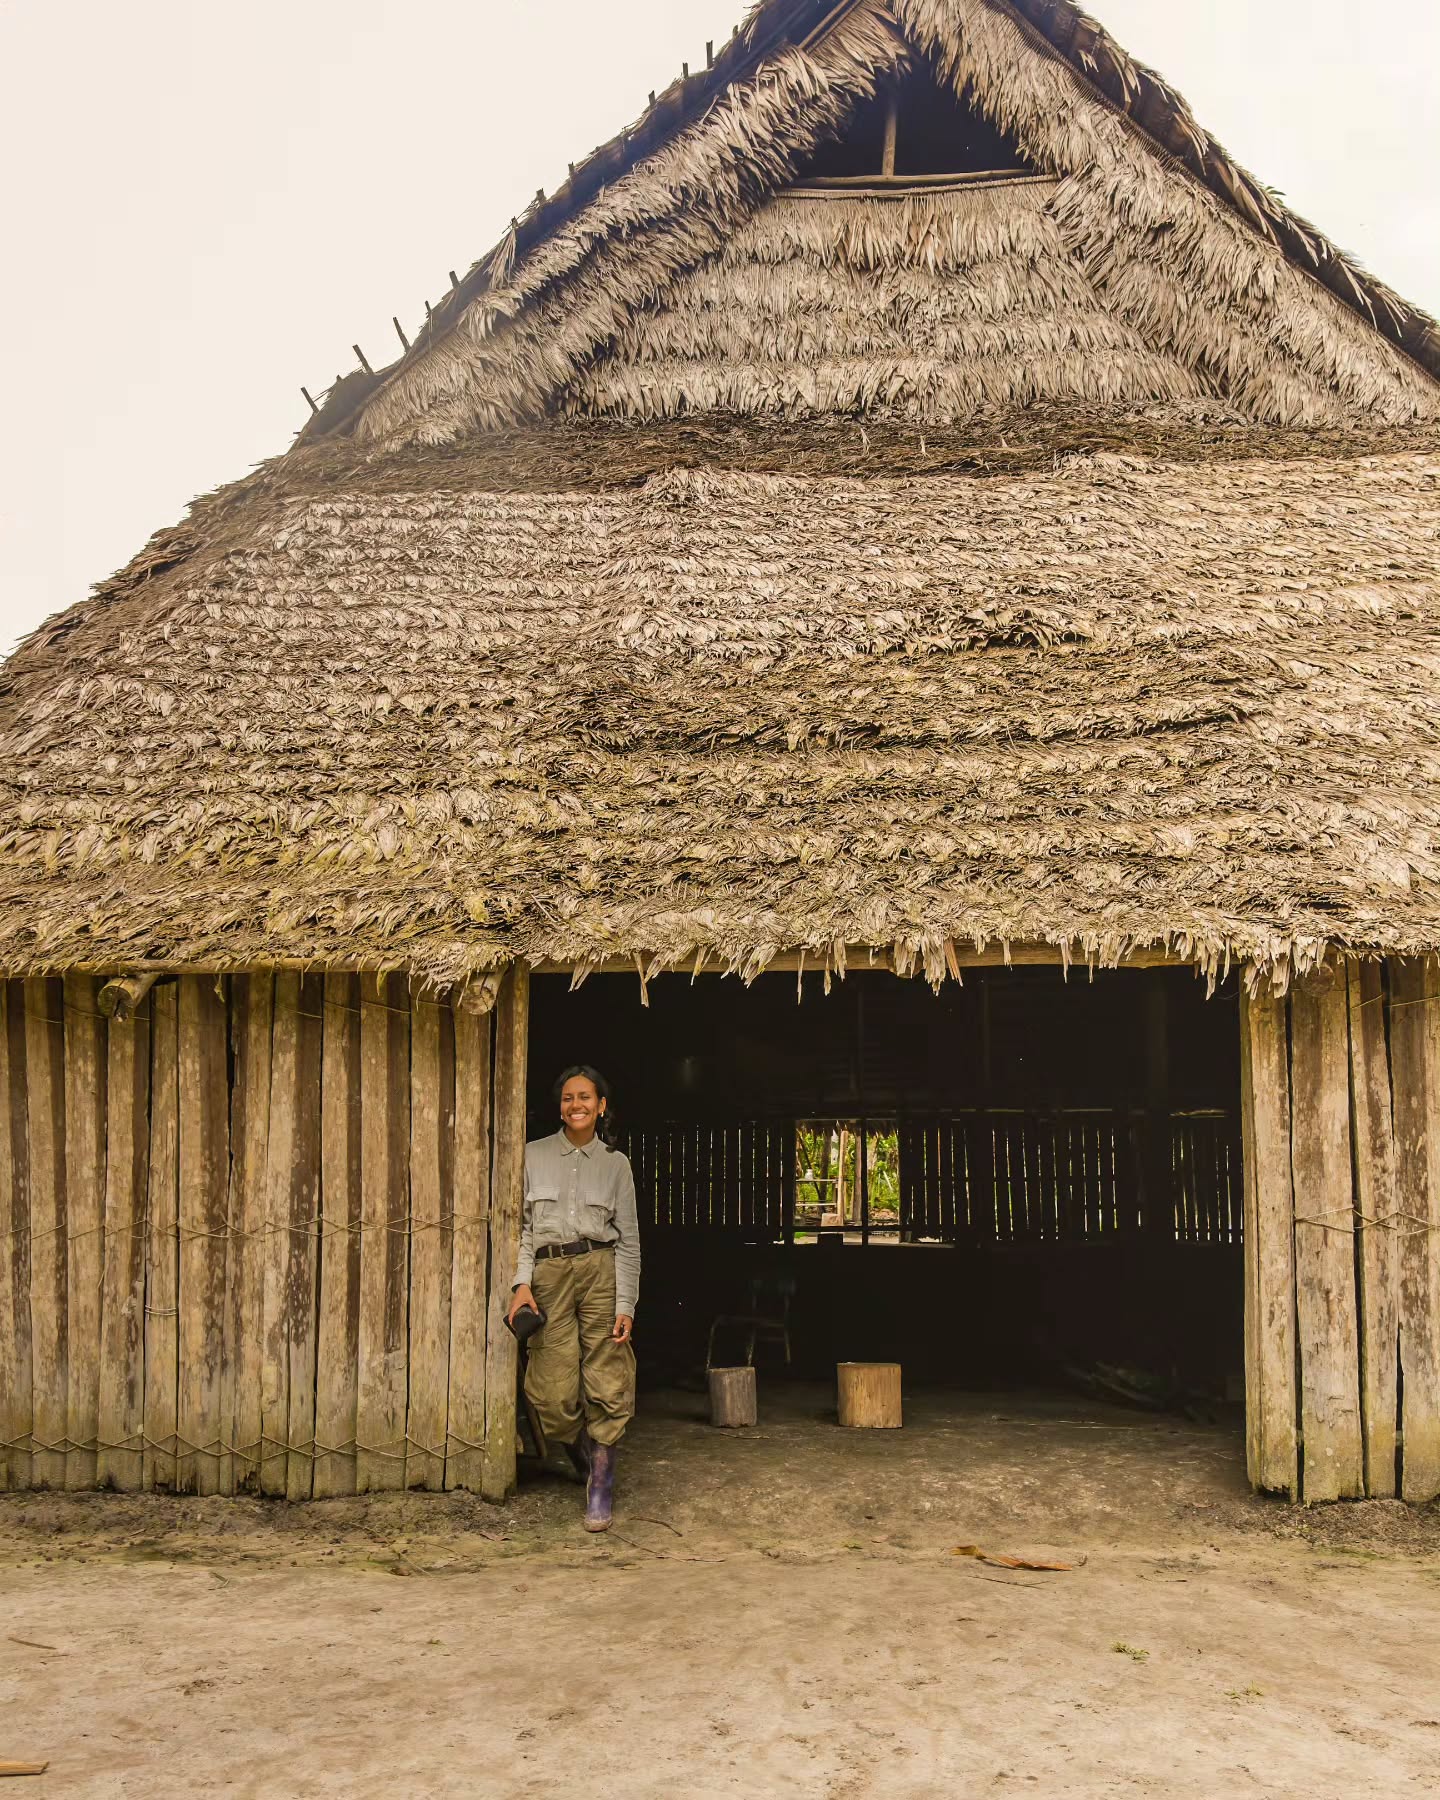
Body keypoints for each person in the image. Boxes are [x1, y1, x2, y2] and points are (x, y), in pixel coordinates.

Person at [508, 1066, 640, 1532]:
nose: (576, 1104)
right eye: (568, 1097)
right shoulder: (532, 1155)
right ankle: (585, 1455)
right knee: (549, 1391)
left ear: (601, 1105)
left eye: (585, 1096)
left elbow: (628, 1241)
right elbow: (523, 1230)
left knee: (607, 1376)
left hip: (600, 1270)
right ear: (559, 1105)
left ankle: (600, 1482)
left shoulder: (615, 1164)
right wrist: (521, 1284)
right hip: (548, 1275)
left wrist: (626, 1304)